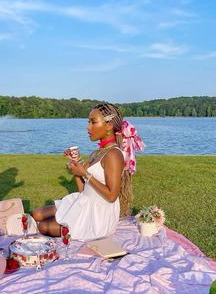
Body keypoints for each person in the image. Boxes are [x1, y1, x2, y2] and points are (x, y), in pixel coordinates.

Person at [31, 103, 144, 240]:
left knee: (43, 226)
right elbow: (83, 190)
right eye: (88, 122)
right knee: (36, 214)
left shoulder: (113, 155)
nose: (88, 127)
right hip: (85, 201)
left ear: (108, 126)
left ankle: (25, 227)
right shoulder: (97, 153)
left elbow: (112, 196)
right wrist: (76, 166)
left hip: (98, 217)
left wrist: (85, 173)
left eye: (93, 122)